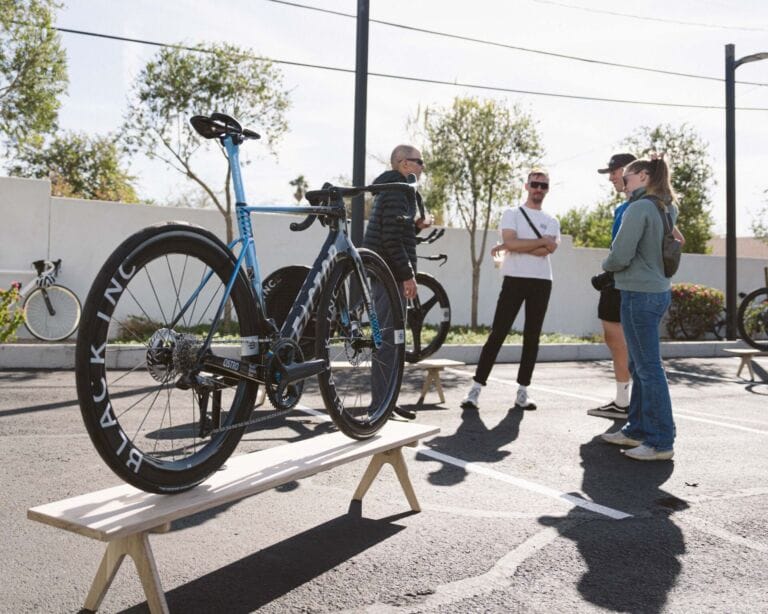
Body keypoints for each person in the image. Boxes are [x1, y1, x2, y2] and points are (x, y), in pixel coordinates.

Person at [461, 169, 560, 411]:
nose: (538, 189)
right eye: (535, 184)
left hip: (541, 280)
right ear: (526, 186)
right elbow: (521, 243)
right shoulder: (512, 213)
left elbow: (546, 250)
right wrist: (532, 242)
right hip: (514, 278)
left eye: (543, 186)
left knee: (532, 336)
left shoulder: (552, 220)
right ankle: (475, 389)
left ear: (547, 189)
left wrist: (516, 245)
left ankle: (523, 392)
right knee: (498, 333)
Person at [599, 157, 678, 461]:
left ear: (643, 176)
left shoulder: (640, 208)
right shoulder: (667, 206)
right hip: (658, 292)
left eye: (628, 178)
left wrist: (605, 268)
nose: (623, 183)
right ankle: (637, 430)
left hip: (638, 294)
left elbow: (619, 255)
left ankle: (660, 441)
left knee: (648, 368)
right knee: (641, 366)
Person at [363, 144, 432, 420]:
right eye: (419, 161)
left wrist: (415, 226)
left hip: (388, 273)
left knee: (393, 340)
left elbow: (395, 231)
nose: (422, 167)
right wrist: (407, 275)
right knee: (388, 342)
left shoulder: (396, 189)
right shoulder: (398, 189)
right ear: (404, 164)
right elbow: (391, 240)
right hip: (389, 275)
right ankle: (380, 406)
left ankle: (387, 402)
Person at [587, 153, 636, 419]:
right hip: (615, 280)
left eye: (614, 172)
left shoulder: (640, 206)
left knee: (623, 342)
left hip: (625, 282)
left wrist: (612, 271)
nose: (611, 178)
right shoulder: (623, 208)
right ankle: (622, 401)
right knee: (613, 339)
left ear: (629, 171)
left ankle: (629, 403)